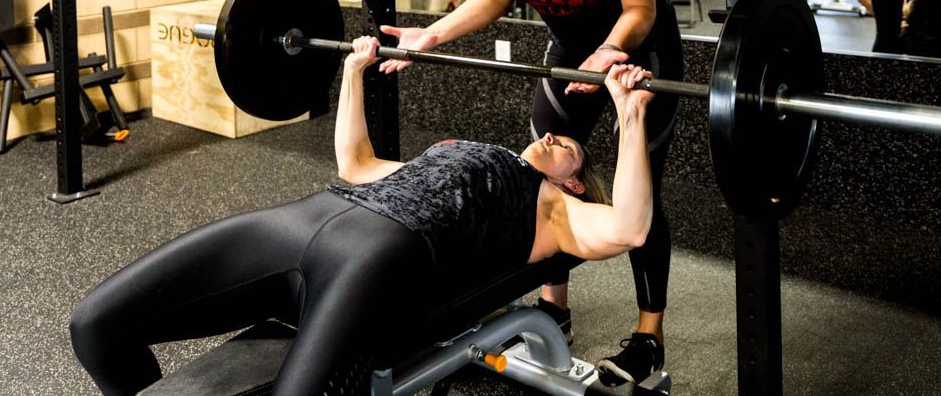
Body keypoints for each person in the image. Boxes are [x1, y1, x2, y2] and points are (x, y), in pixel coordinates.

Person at [69, 36, 657, 396]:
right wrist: (353, 71)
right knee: (96, 326)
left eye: (569, 147)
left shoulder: (555, 209)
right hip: (306, 219)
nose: (554, 134)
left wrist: (628, 117)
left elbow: (630, 226)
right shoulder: (454, 152)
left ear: (575, 182)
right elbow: (356, 162)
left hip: (376, 254)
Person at [382, 0, 683, 385]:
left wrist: (609, 53)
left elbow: (641, 8)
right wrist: (432, 35)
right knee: (538, 174)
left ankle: (649, 335)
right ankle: (554, 308)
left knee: (637, 189)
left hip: (635, 54)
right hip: (568, 54)